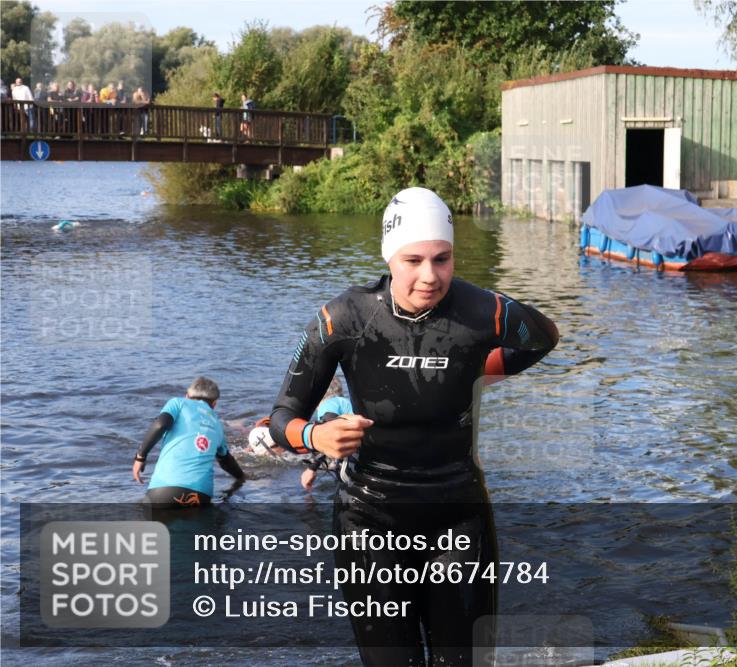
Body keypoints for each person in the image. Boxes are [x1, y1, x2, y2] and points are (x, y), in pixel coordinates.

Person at [269, 187, 559, 667]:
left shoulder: (480, 309)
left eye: (442, 259)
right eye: (414, 260)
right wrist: (315, 436)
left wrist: (480, 366)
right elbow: (282, 416)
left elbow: (543, 336)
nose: (430, 276)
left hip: (457, 514)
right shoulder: (343, 317)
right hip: (369, 518)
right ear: (389, 257)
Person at [133, 376, 245, 507]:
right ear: (214, 404)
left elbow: (160, 425)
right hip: (200, 494)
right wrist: (241, 478)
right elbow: (226, 461)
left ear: (186, 396)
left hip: (163, 490)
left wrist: (141, 456)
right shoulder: (217, 424)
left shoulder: (177, 403)